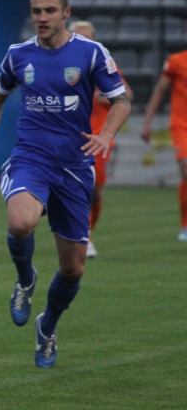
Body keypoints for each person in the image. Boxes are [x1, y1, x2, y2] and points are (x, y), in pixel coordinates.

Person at [0, 0, 130, 368]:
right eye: (36, 11)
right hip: (31, 157)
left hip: (74, 168)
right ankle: (25, 279)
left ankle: (48, 324)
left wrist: (106, 134)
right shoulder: (18, 55)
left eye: (49, 11)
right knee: (21, 222)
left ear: (65, 12)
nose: (41, 18)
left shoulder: (91, 53)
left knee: (73, 268)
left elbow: (122, 98)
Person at [69, 21, 133, 258]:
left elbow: (126, 95)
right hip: (70, 136)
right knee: (78, 189)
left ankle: (86, 233)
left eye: (87, 38)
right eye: (77, 37)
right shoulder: (63, 65)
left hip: (98, 138)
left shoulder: (103, 64)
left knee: (94, 192)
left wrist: (100, 94)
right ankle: (82, 237)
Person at [140, 46, 187, 242]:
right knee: (186, 168)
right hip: (181, 124)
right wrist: (147, 122)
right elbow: (160, 91)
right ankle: (185, 224)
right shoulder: (177, 61)